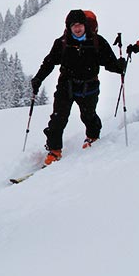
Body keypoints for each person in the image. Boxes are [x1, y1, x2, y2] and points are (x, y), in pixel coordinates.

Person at [30, 10, 126, 167]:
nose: (77, 28)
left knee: (89, 116)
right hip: (66, 86)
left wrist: (119, 67)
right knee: (58, 118)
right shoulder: (62, 43)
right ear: (69, 27)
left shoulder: (96, 41)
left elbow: (108, 62)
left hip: (89, 86)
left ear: (85, 25)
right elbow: (49, 62)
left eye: (80, 25)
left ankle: (92, 137)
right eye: (74, 25)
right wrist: (38, 79)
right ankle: (54, 150)